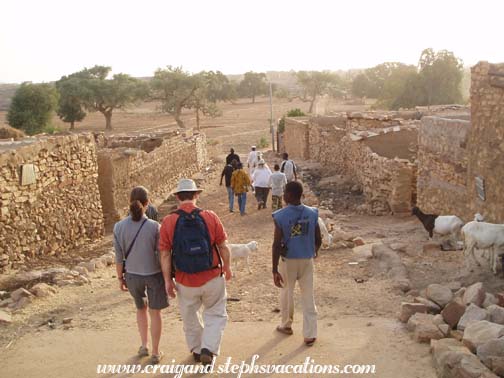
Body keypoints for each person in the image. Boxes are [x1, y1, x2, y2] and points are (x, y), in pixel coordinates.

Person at [159, 179, 232, 365]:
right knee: (215, 313)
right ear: (196, 195)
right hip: (212, 276)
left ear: (177, 196)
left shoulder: (168, 221)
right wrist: (227, 267)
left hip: (185, 280)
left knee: (190, 316)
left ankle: (198, 351)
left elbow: (165, 254)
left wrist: (168, 281)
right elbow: (223, 246)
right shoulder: (210, 216)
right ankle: (209, 347)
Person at [114, 186, 168, 364]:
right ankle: (155, 351)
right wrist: (167, 277)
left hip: (132, 275)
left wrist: (120, 278)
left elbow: (119, 257)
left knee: (140, 309)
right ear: (147, 203)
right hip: (153, 274)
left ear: (130, 203)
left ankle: (143, 345)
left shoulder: (119, 227)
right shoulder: (154, 227)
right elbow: (161, 254)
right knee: (155, 312)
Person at [271, 181, 322, 346]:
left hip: (289, 261)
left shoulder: (280, 216)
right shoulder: (312, 213)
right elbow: (318, 239)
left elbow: (276, 244)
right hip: (306, 260)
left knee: (287, 292)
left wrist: (274, 269)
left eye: (285, 193)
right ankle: (310, 334)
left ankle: (286, 324)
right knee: (308, 296)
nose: (284, 195)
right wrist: (312, 251)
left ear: (290, 195)